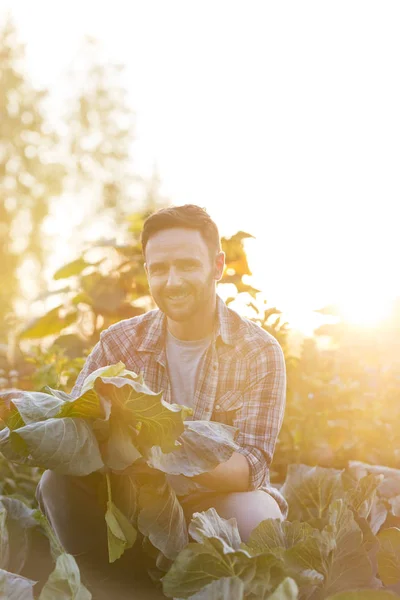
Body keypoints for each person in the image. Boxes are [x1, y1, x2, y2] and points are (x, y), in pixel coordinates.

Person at [36, 204, 287, 576]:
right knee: (54, 484)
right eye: (159, 269)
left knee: (258, 516)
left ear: (217, 267)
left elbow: (248, 469)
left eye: (186, 265)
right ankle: (103, 582)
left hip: (211, 505)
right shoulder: (118, 343)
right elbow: (76, 431)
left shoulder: (259, 351)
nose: (172, 281)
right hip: (129, 499)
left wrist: (152, 443)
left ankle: (202, 577)